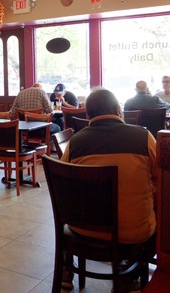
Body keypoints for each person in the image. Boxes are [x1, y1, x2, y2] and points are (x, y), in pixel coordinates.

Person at [61, 88, 158, 244]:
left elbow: (64, 184)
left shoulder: (75, 143)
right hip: (133, 234)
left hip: (83, 229)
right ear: (119, 111)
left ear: (87, 115)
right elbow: (161, 177)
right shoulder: (143, 138)